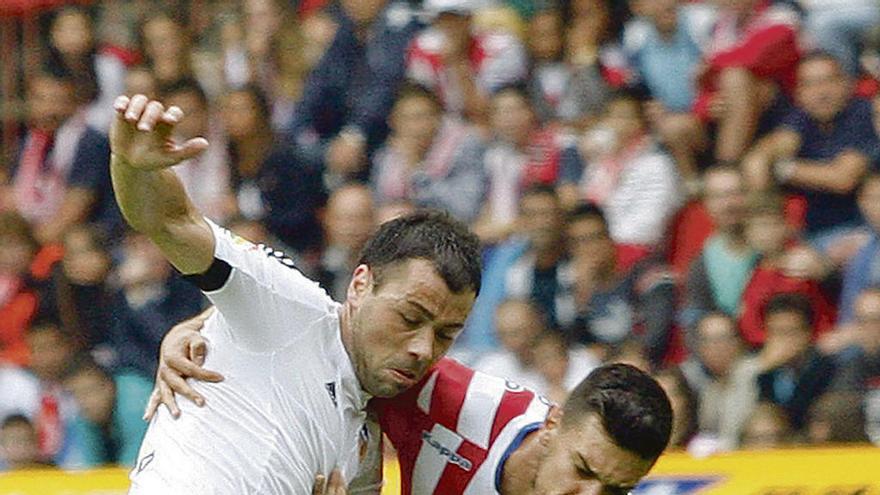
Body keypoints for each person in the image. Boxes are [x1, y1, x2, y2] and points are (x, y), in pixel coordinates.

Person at [110, 94, 481, 492]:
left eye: (446, 334)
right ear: (359, 285)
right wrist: (132, 166)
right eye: (410, 318)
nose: (424, 349)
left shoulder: (365, 451)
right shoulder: (286, 302)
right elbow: (172, 220)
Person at [155, 318, 672, 495]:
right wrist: (196, 332)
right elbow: (331, 329)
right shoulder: (458, 404)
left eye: (615, 490)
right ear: (554, 423)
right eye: (582, 470)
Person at [742, 52, 880, 242]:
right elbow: (765, 154)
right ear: (799, 93)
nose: (821, 92)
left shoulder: (865, 114)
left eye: (828, 81)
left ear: (846, 84)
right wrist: (761, 165)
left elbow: (842, 178)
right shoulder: (803, 117)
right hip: (816, 233)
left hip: (862, 229)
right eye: (810, 85)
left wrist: (782, 169)